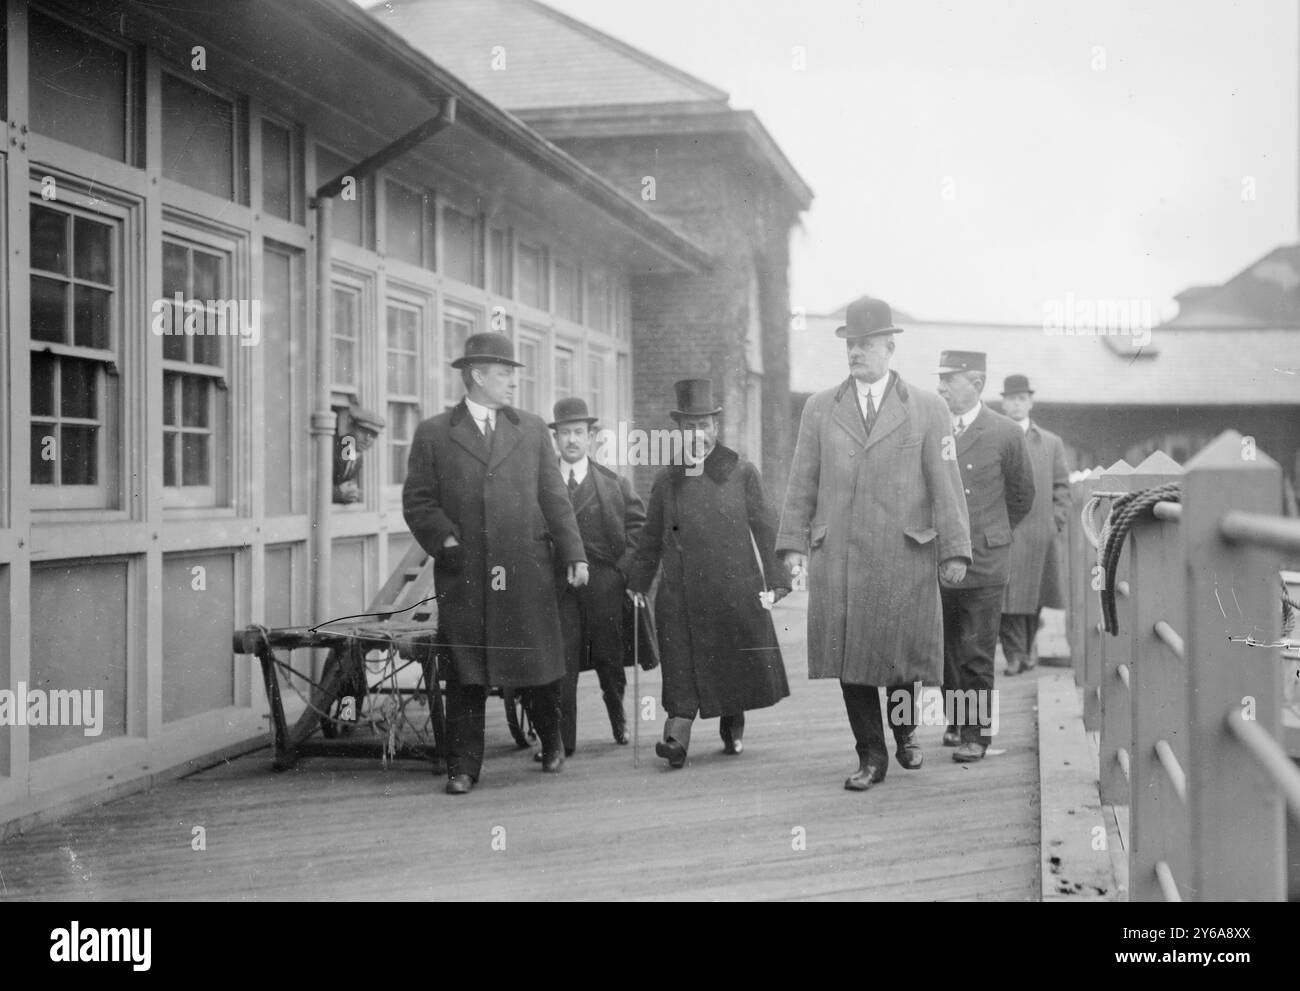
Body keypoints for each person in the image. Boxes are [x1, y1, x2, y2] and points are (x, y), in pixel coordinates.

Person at [777, 296, 972, 792]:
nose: (856, 352)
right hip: (839, 555)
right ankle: (871, 754)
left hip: (903, 553)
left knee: (900, 655)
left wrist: (954, 550)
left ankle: (905, 731)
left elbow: (946, 483)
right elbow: (802, 480)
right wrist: (794, 546)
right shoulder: (821, 408)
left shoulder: (927, 408)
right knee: (850, 659)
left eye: (866, 344)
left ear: (889, 347)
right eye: (850, 344)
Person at [402, 332, 588, 795]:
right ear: (477, 376)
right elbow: (418, 500)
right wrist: (445, 539)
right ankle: (464, 766)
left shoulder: (529, 429)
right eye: (504, 374)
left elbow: (554, 496)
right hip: (466, 572)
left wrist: (574, 553)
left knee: (538, 664)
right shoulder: (434, 433)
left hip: (526, 570)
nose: (512, 383)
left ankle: (551, 741)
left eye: (512, 374)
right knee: (466, 672)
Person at [626, 379, 790, 768]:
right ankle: (675, 736)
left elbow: (765, 527)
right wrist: (638, 582)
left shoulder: (740, 471)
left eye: (703, 426)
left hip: (731, 590)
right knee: (681, 669)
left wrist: (778, 578)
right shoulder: (668, 478)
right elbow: (650, 536)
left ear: (715, 428)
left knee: (729, 667)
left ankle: (732, 722)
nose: (697, 435)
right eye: (689, 427)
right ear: (679, 430)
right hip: (679, 594)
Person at [935, 351, 1035, 762]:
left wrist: (993, 532)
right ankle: (957, 722)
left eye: (950, 380)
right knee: (946, 650)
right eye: (940, 380)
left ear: (976, 384)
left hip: (986, 560)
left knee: (977, 651)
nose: (941, 388)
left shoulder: (1005, 432)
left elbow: (1022, 495)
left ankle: (977, 735)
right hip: (941, 558)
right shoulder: (933, 428)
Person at [548, 397, 646, 756]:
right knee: (562, 662)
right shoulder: (543, 485)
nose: (572, 440)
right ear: (555, 439)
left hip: (604, 581)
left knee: (609, 658)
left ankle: (618, 716)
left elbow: (640, 530)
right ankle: (562, 740)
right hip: (559, 587)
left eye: (578, 432)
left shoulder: (614, 484)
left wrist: (621, 573)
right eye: (564, 433)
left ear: (591, 438)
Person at [997, 375, 1070, 676]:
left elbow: (1062, 486)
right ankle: (1015, 656)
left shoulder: (1051, 442)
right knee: (1004, 597)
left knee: (1034, 596)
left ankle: (1026, 651)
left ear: (1030, 402)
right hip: (1004, 530)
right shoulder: (995, 434)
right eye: (1011, 399)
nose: (1016, 404)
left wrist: (1056, 521)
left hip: (1040, 530)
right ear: (1003, 402)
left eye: (1021, 398)